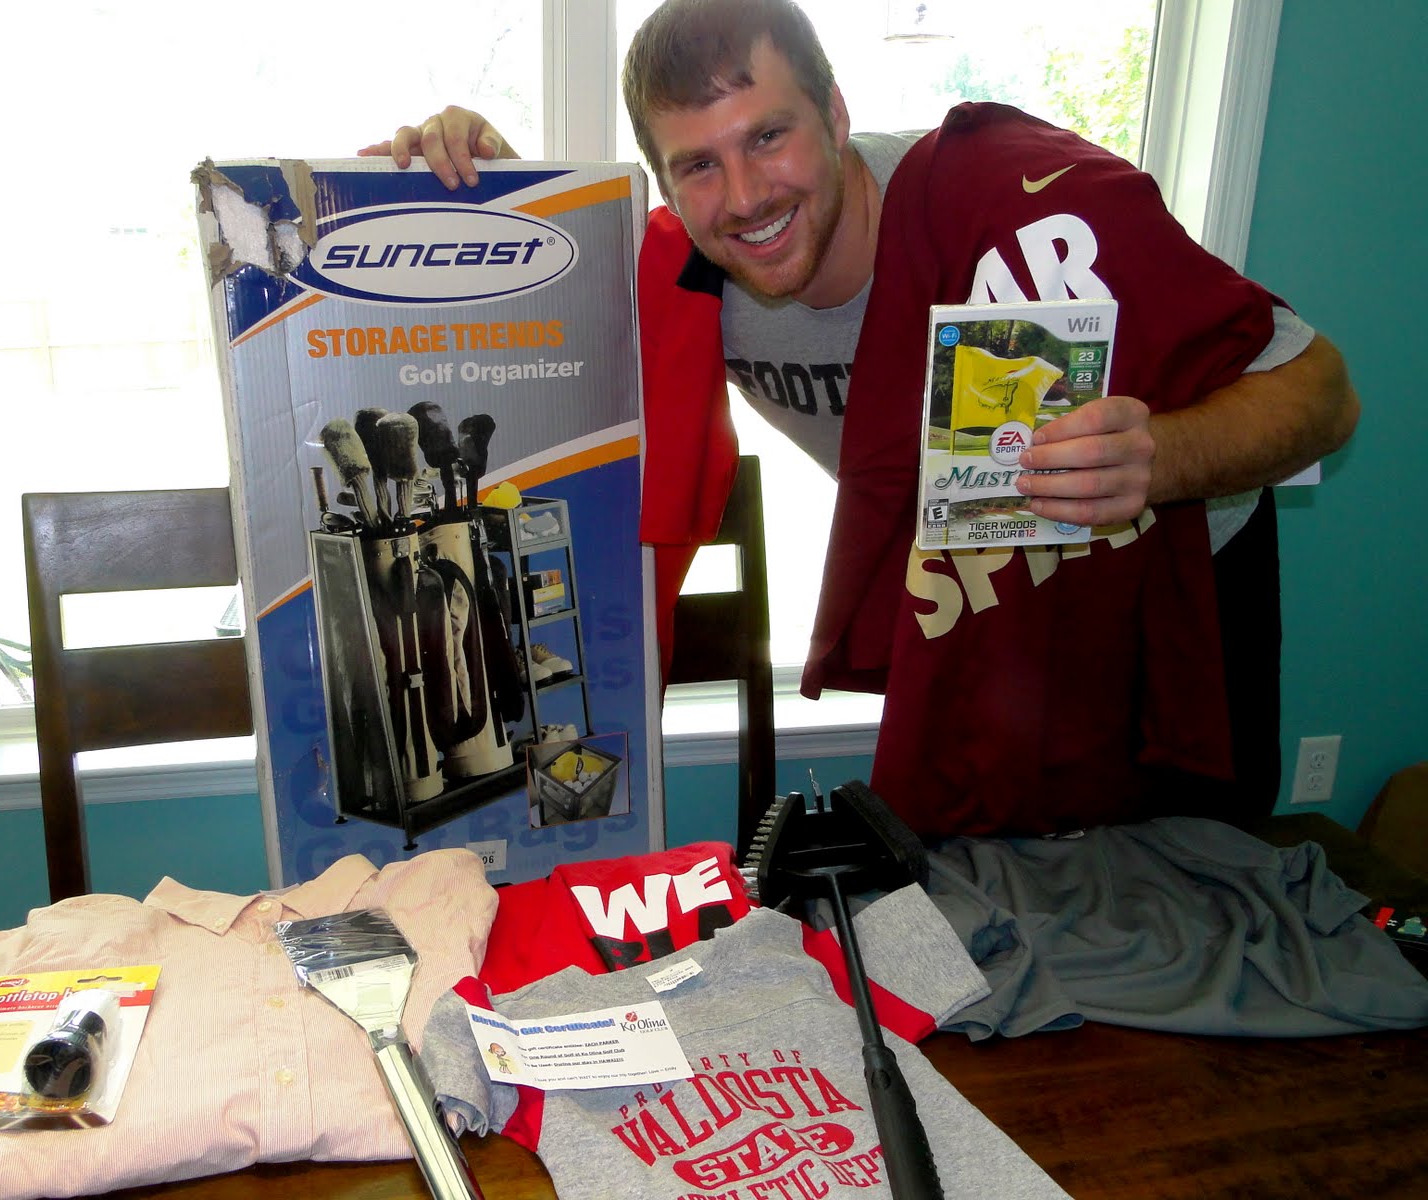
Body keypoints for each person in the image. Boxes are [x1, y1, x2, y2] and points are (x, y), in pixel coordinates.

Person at [361, 0, 1359, 838]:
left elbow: (1323, 392)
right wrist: (486, 186)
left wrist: (1160, 459)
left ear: (835, 114)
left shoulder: (1011, 207)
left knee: (1193, 887)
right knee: (992, 884)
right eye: (697, 164)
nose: (745, 197)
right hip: (991, 599)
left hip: (1178, 568)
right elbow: (542, 313)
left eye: (768, 136)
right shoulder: (692, 274)